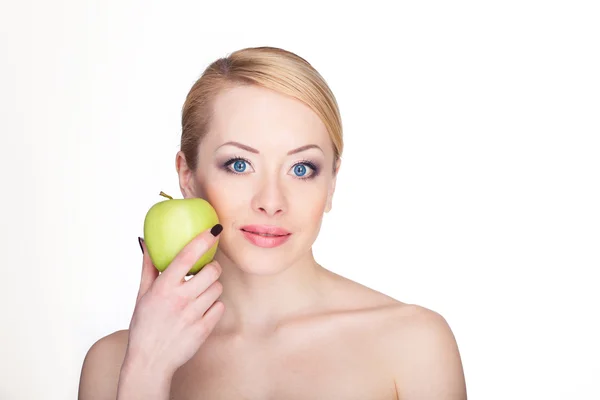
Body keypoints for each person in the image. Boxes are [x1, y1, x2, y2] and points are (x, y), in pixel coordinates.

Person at [78, 46, 467, 400]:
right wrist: (147, 371)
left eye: (301, 169)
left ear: (331, 184)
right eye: (239, 164)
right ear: (188, 176)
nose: (271, 202)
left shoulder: (414, 345)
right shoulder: (113, 364)